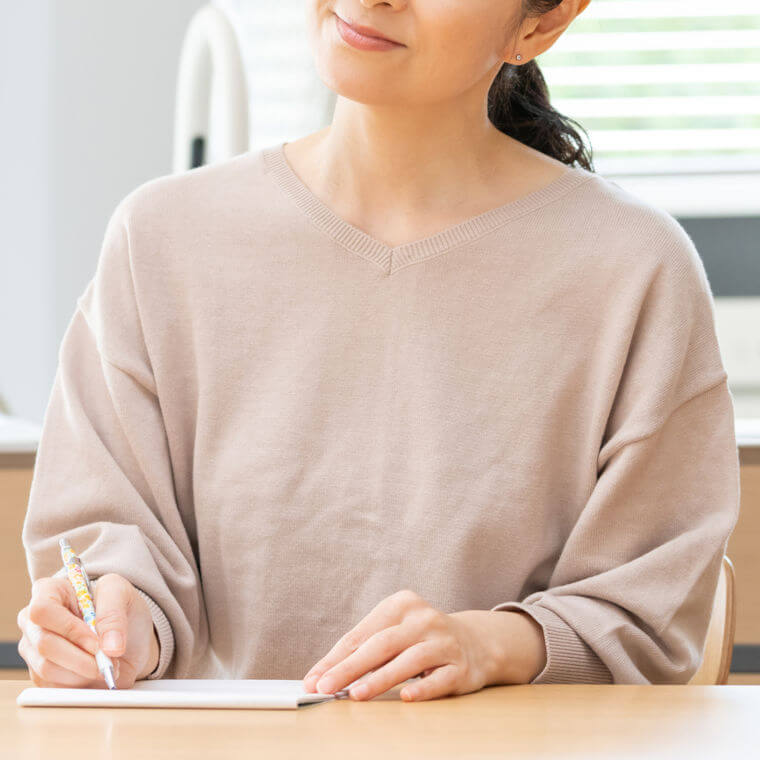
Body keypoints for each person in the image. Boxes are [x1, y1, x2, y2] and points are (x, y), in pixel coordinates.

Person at [17, 0, 740, 702]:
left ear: (544, 20)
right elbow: (112, 544)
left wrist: (489, 644)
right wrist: (117, 626)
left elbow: (649, 612)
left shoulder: (635, 269)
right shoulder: (160, 239)